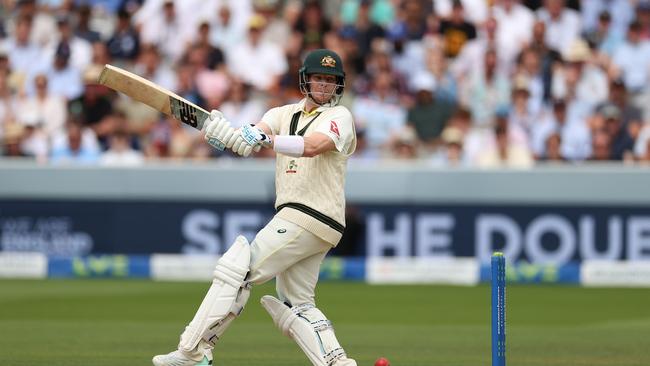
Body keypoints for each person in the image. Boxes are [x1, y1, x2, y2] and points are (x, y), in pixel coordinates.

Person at [152, 48, 357, 366]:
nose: (324, 86)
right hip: (313, 221)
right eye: (318, 78)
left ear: (338, 85)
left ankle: (195, 351)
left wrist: (264, 139)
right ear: (305, 80)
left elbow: (314, 146)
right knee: (297, 302)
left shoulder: (339, 117)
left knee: (238, 271)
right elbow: (250, 138)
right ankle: (338, 362)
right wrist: (223, 134)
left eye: (331, 81)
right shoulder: (281, 113)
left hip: (308, 213)